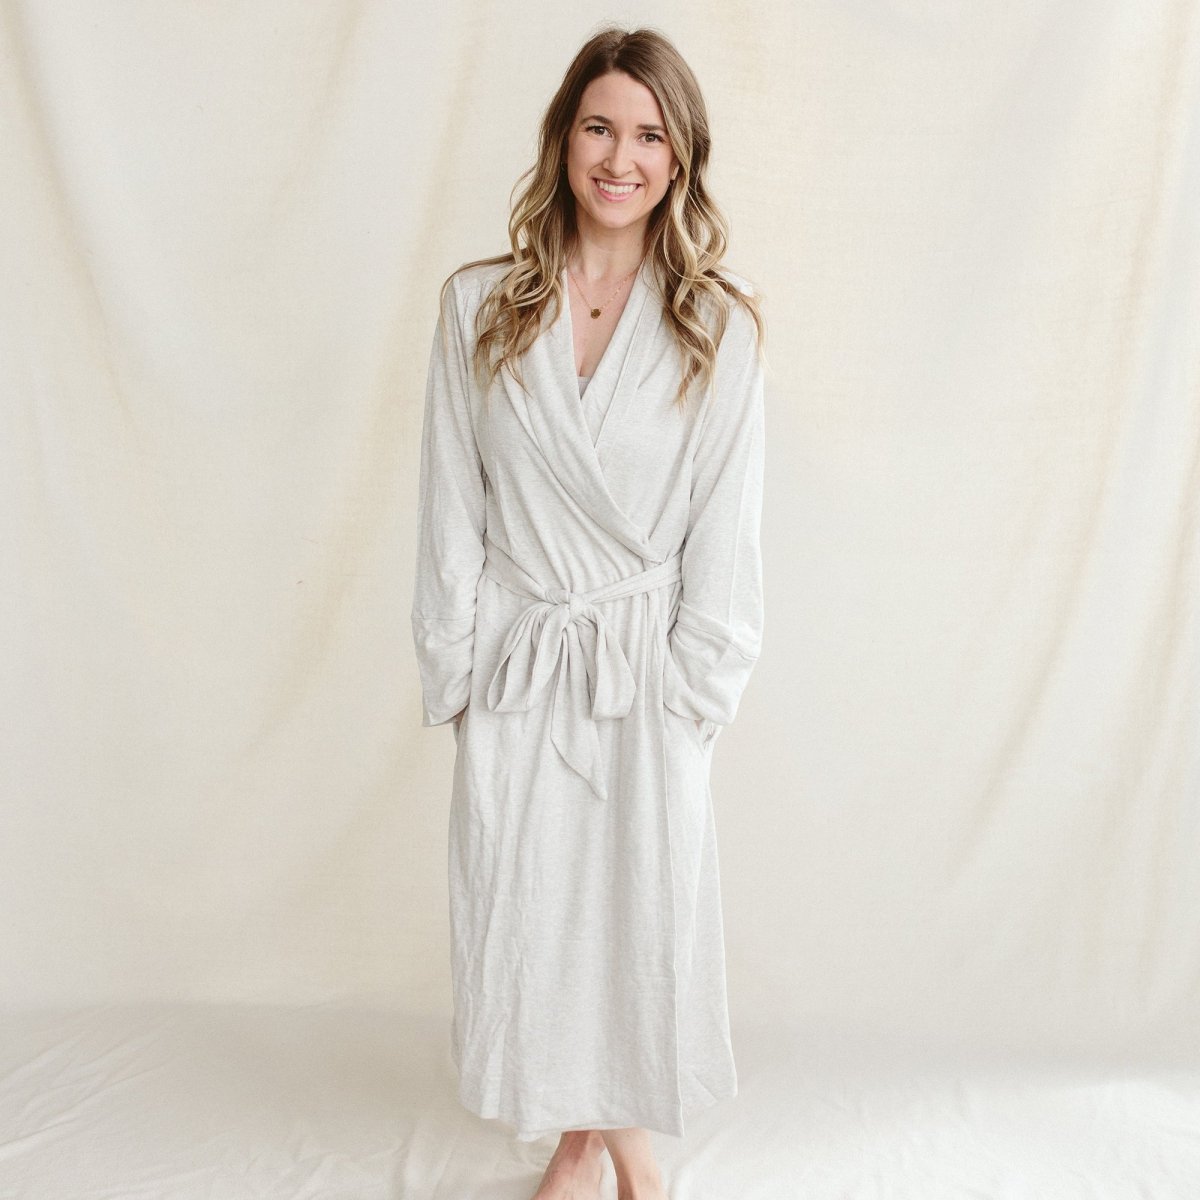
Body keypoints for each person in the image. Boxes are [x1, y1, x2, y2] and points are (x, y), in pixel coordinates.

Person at [411, 24, 766, 1200]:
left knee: (638, 916)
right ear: (564, 138)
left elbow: (727, 535)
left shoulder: (717, 328)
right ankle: (601, 1145)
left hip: (641, 671)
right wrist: (459, 673)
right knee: (530, 912)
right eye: (600, 127)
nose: (622, 158)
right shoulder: (478, 307)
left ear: (681, 157)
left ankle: (609, 1152)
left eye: (650, 136)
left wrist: (695, 692)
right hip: (521, 661)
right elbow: (450, 506)